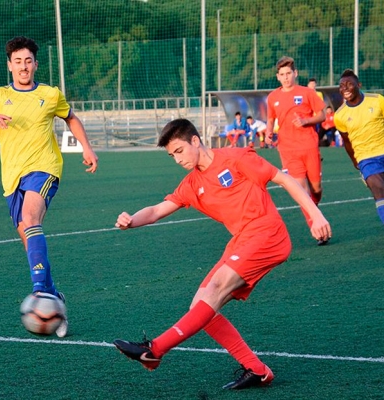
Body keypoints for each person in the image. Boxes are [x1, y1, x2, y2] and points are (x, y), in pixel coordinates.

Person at [112, 118, 331, 390]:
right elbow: (157, 210)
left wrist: (316, 216)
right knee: (201, 306)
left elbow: (284, 179)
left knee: (214, 288)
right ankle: (257, 370)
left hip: (267, 233)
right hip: (241, 241)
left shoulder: (236, 158)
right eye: (172, 156)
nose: (177, 159)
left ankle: (154, 350)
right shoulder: (191, 184)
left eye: (179, 151)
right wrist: (131, 220)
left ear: (195, 140)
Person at [0, 36, 98, 338]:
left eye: (28, 61)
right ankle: (53, 297)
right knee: (27, 233)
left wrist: (87, 148)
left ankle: (38, 291)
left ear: (36, 64)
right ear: (9, 65)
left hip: (44, 167)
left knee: (31, 218)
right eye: (17, 61)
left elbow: (71, 118)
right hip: (11, 177)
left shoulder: (50, 94)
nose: (23, 66)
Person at [334, 69, 384, 250]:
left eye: (349, 84)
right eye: (341, 85)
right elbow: (347, 142)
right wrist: (355, 161)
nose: (345, 88)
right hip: (367, 158)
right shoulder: (340, 115)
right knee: (379, 192)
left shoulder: (378, 100)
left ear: (359, 85)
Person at [266, 56, 327, 245]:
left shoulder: (308, 93)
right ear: (277, 76)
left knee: (315, 190)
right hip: (287, 149)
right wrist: (269, 132)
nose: (285, 78)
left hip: (309, 146)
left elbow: (322, 115)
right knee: (301, 190)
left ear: (295, 73)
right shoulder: (273, 97)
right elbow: (270, 119)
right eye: (282, 74)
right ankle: (317, 229)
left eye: (288, 74)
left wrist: (306, 121)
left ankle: (314, 205)